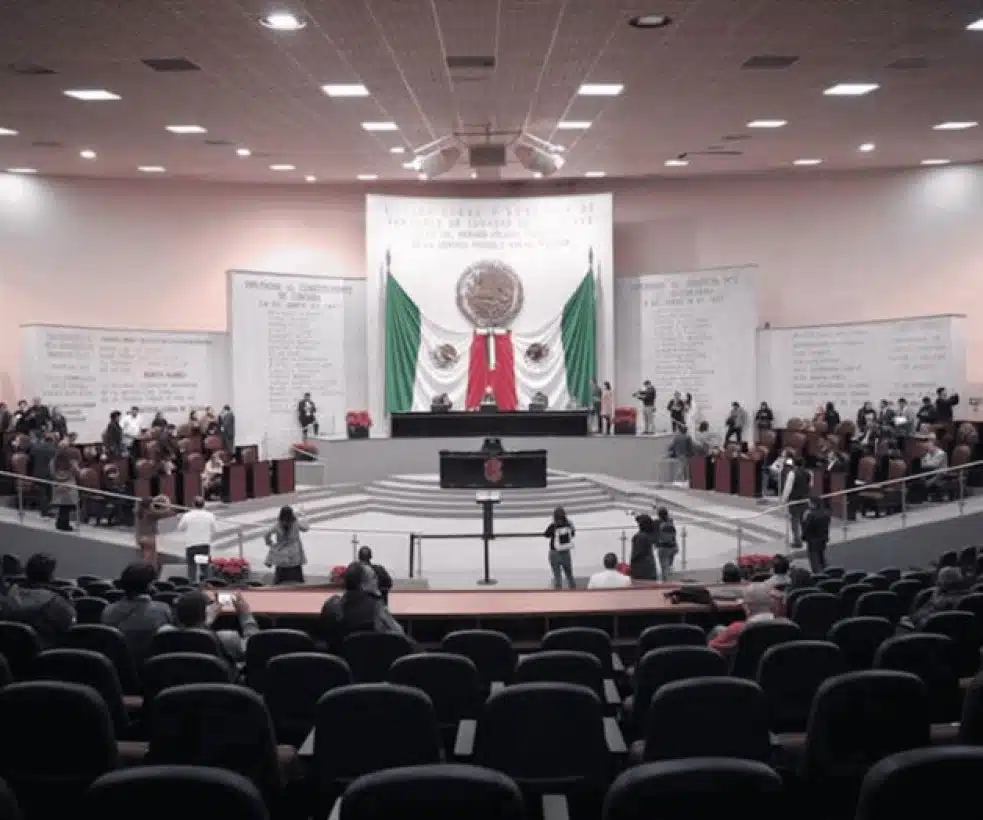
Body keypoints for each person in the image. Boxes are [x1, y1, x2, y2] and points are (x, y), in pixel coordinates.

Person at [318, 562, 405, 653]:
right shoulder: (377, 608)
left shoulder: (330, 605)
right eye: (373, 578)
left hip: (340, 659)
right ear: (364, 585)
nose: (377, 581)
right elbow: (400, 636)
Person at [161, 589, 258, 665]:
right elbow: (254, 647)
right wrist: (246, 615)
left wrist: (206, 622)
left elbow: (190, 633)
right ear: (205, 614)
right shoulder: (227, 639)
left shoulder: (164, 635)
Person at [102, 561, 173, 664]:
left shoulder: (108, 611)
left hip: (119, 669)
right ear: (150, 586)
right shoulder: (163, 610)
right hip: (154, 668)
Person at [0, 553, 75, 648]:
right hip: (45, 652)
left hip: (8, 650)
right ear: (50, 577)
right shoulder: (55, 601)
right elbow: (70, 625)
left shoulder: (8, 596)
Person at [708, 583, 777, 656]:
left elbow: (709, 650)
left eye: (744, 604)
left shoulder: (737, 629)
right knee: (719, 629)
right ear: (771, 604)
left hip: (739, 663)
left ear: (747, 608)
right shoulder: (783, 626)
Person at [264, 505, 308, 584]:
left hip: (281, 553)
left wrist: (269, 542)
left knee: (279, 563)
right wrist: (303, 515)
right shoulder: (295, 523)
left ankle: (278, 579)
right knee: (296, 568)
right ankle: (298, 581)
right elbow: (306, 528)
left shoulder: (277, 524)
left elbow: (266, 534)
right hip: (295, 553)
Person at [177, 496, 217, 582]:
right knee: (204, 568)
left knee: (192, 569)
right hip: (204, 545)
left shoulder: (187, 516)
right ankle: (206, 586)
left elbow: (180, 528)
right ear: (204, 504)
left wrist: (179, 519)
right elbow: (214, 529)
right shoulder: (210, 515)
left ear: (193, 504)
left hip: (191, 546)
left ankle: (192, 586)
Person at [134, 495, 174, 570]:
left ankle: (144, 570)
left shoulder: (138, 512)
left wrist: (154, 499)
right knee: (151, 558)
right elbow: (168, 513)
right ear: (150, 505)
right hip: (149, 537)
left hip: (140, 537)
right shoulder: (151, 513)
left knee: (145, 555)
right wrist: (167, 503)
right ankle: (149, 571)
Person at [781, 456, 811, 547]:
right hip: (804, 499)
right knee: (803, 519)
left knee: (794, 521)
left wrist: (784, 500)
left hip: (794, 500)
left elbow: (788, 488)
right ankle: (805, 537)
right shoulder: (809, 473)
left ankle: (797, 541)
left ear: (794, 464)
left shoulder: (792, 473)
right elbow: (810, 485)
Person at [543, 506, 576, 589]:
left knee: (557, 577)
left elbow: (546, 534)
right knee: (569, 576)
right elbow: (572, 535)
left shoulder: (553, 525)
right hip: (565, 552)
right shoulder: (568, 524)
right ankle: (573, 591)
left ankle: (558, 593)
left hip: (554, 553)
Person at [50, 446, 80, 532]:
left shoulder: (53, 462)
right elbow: (77, 472)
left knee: (62, 507)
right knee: (66, 507)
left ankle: (59, 523)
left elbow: (52, 473)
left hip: (58, 485)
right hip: (69, 486)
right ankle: (64, 525)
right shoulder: (71, 463)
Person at [801, 497, 831, 572]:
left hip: (813, 540)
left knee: (814, 560)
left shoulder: (810, 515)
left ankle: (818, 575)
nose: (808, 504)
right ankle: (826, 572)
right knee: (822, 557)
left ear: (813, 504)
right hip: (823, 538)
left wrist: (804, 519)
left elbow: (806, 527)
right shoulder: (826, 513)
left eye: (809, 503)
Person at [629, 513, 659, 580]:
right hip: (650, 570)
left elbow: (636, 554)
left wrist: (631, 567)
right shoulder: (650, 536)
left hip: (640, 571)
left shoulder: (639, 537)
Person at [655, 507, 679, 579]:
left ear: (659, 515)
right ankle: (669, 575)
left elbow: (657, 535)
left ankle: (665, 580)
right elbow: (674, 535)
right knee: (668, 565)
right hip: (673, 547)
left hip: (663, 548)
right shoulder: (670, 522)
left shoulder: (658, 523)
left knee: (664, 567)